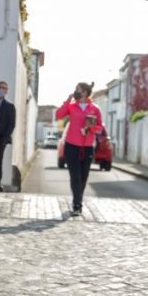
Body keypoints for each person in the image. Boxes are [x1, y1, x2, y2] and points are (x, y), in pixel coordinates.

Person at [56, 82, 103, 216]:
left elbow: (99, 127)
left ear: (86, 92)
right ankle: (77, 204)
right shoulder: (71, 106)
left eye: (80, 90)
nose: (77, 92)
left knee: (83, 176)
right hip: (71, 146)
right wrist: (68, 99)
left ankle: (78, 199)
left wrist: (90, 128)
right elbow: (59, 115)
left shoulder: (95, 108)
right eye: (76, 89)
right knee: (75, 176)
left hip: (87, 147)